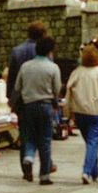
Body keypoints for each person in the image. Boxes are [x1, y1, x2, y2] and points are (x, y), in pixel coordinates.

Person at [66, 45, 98, 185]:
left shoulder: (77, 72)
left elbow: (68, 92)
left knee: (90, 142)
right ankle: (87, 171)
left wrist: (68, 113)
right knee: (93, 141)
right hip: (97, 113)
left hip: (80, 112)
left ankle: (94, 172)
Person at [13, 35, 61, 185]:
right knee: (45, 140)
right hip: (45, 106)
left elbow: (17, 87)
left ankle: (28, 157)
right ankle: (44, 176)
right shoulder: (53, 67)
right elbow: (57, 89)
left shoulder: (25, 66)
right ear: (50, 51)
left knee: (29, 136)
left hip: (28, 106)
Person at [7, 21, 47, 165]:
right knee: (43, 134)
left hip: (22, 99)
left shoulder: (17, 51)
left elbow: (11, 77)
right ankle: (46, 165)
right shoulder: (43, 51)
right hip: (42, 97)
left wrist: (10, 98)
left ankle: (26, 167)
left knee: (25, 134)